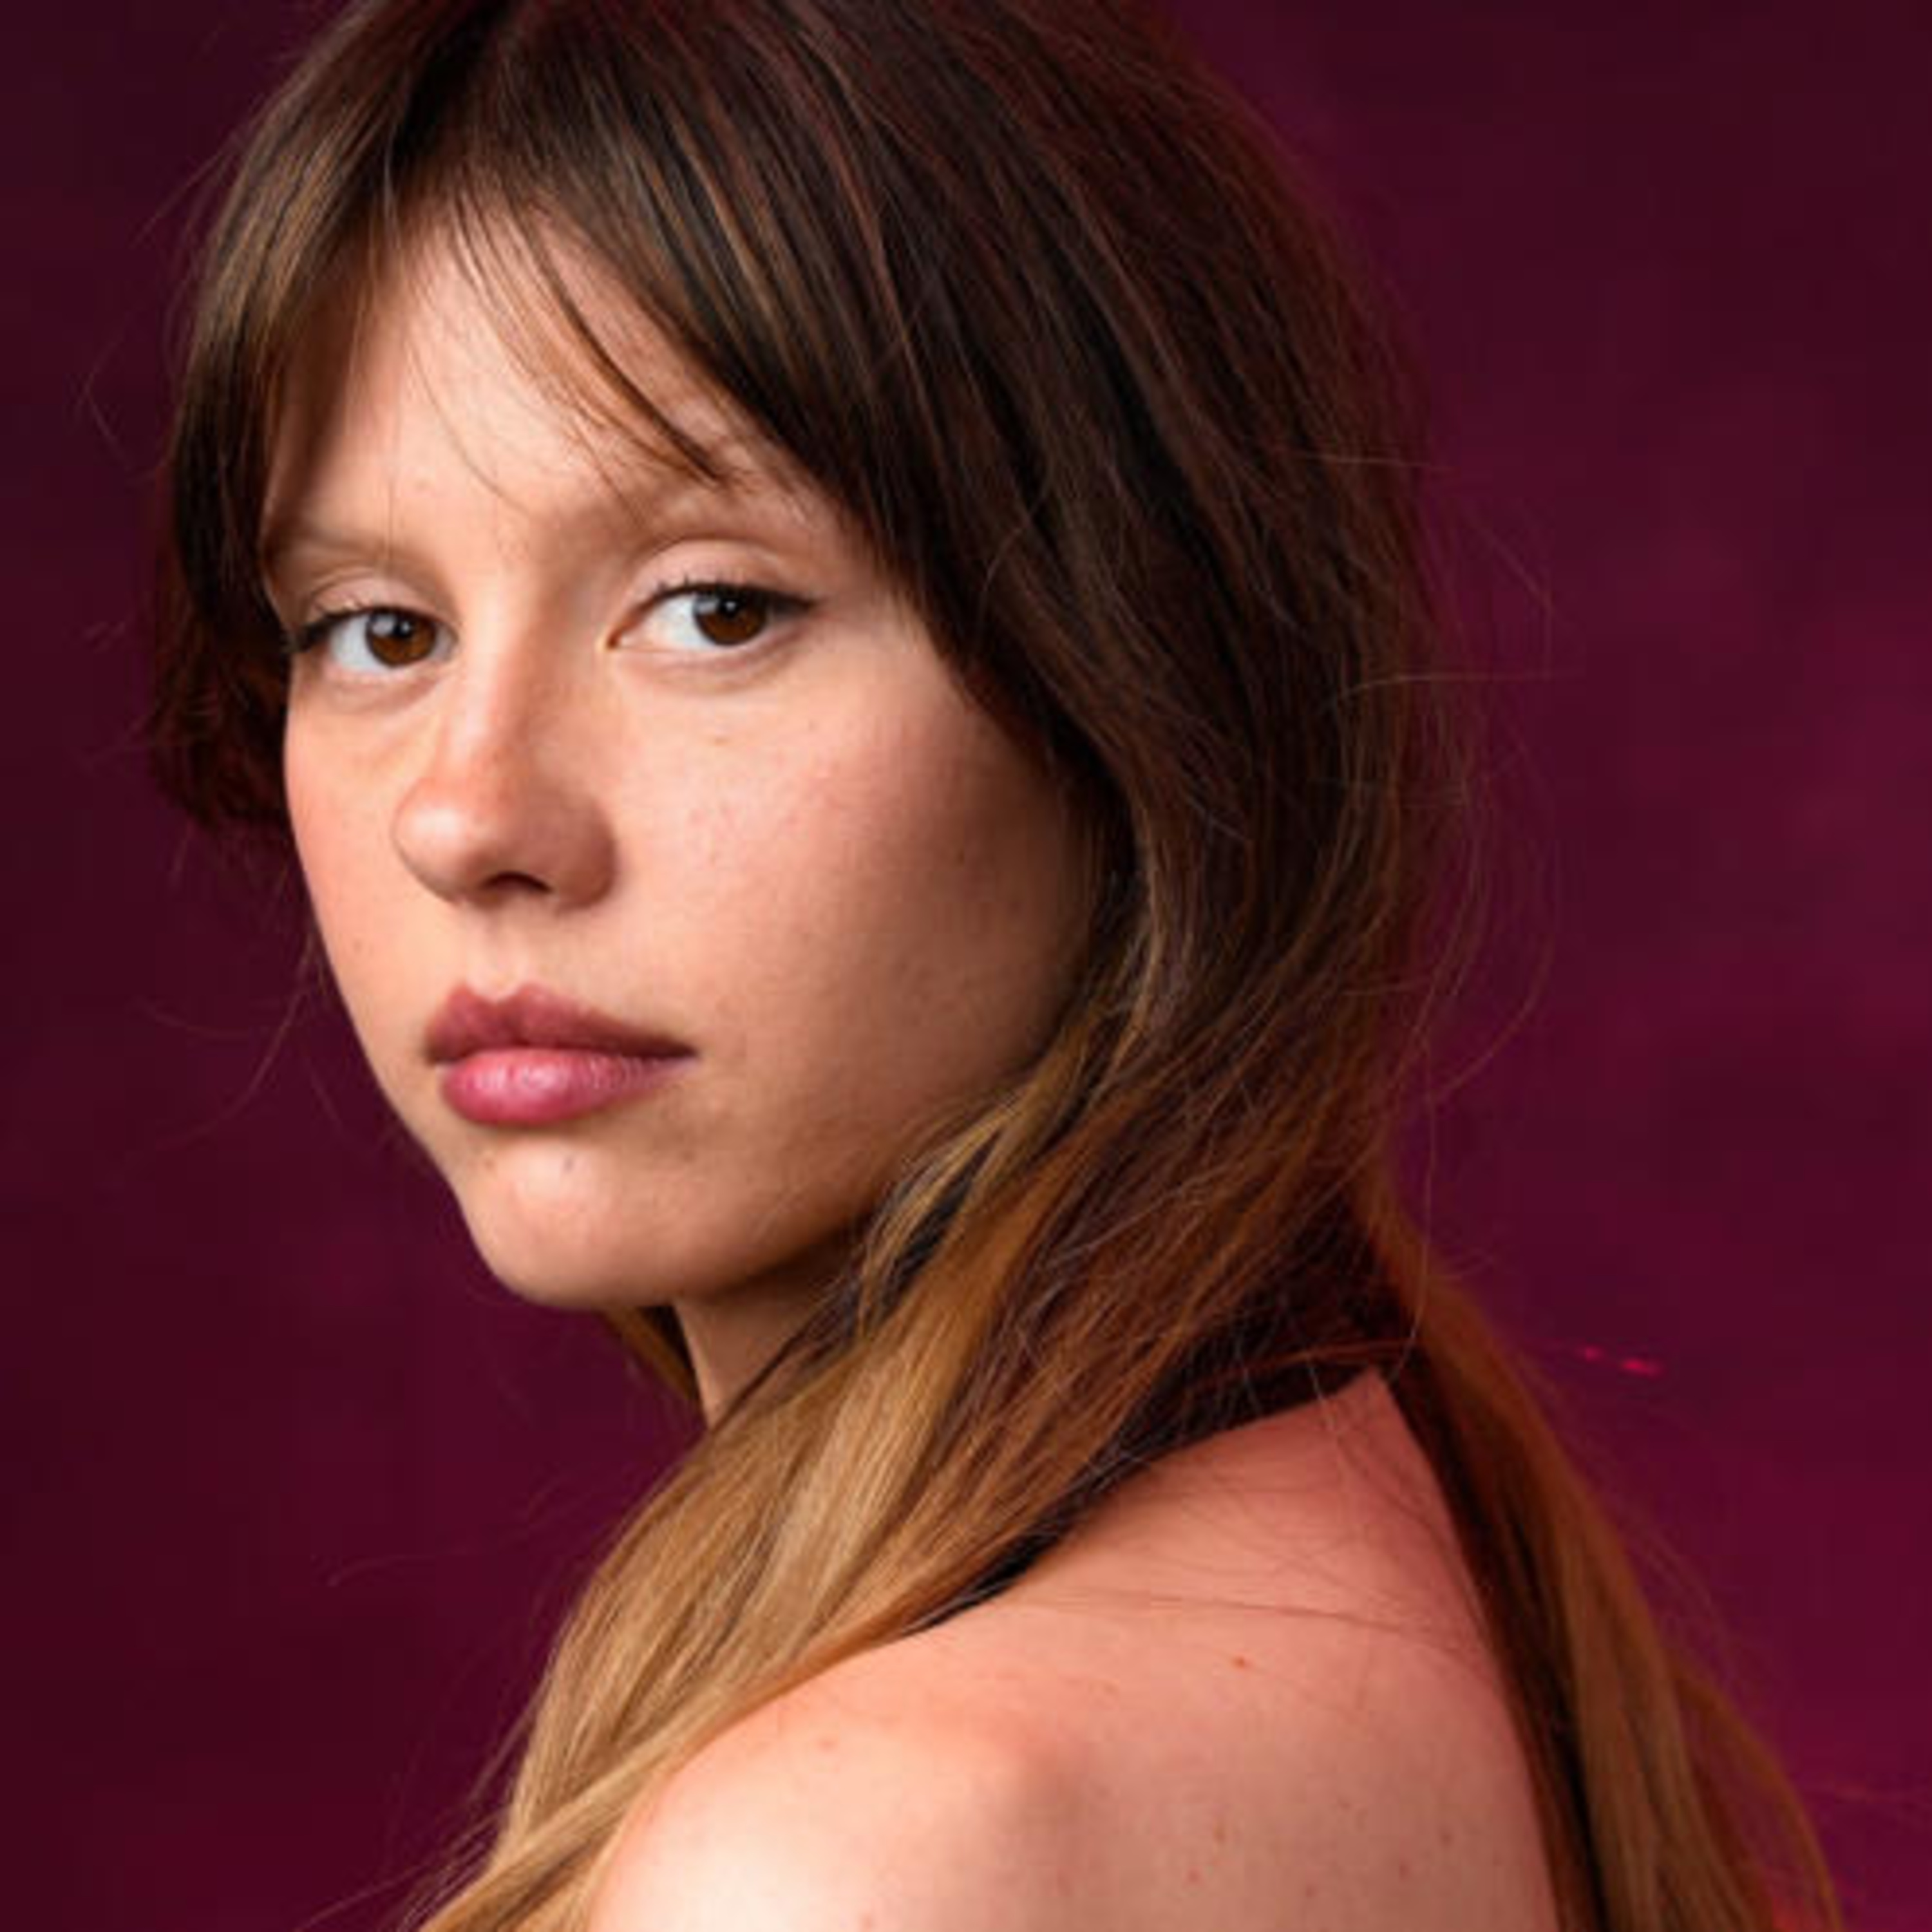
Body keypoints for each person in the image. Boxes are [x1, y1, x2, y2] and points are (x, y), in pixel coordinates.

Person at [147, 1, 1841, 1927]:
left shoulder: (872, 1852)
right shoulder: (1380, 1527)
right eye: (375, 629)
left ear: (1145, 678)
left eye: (716, 608)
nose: (466, 817)